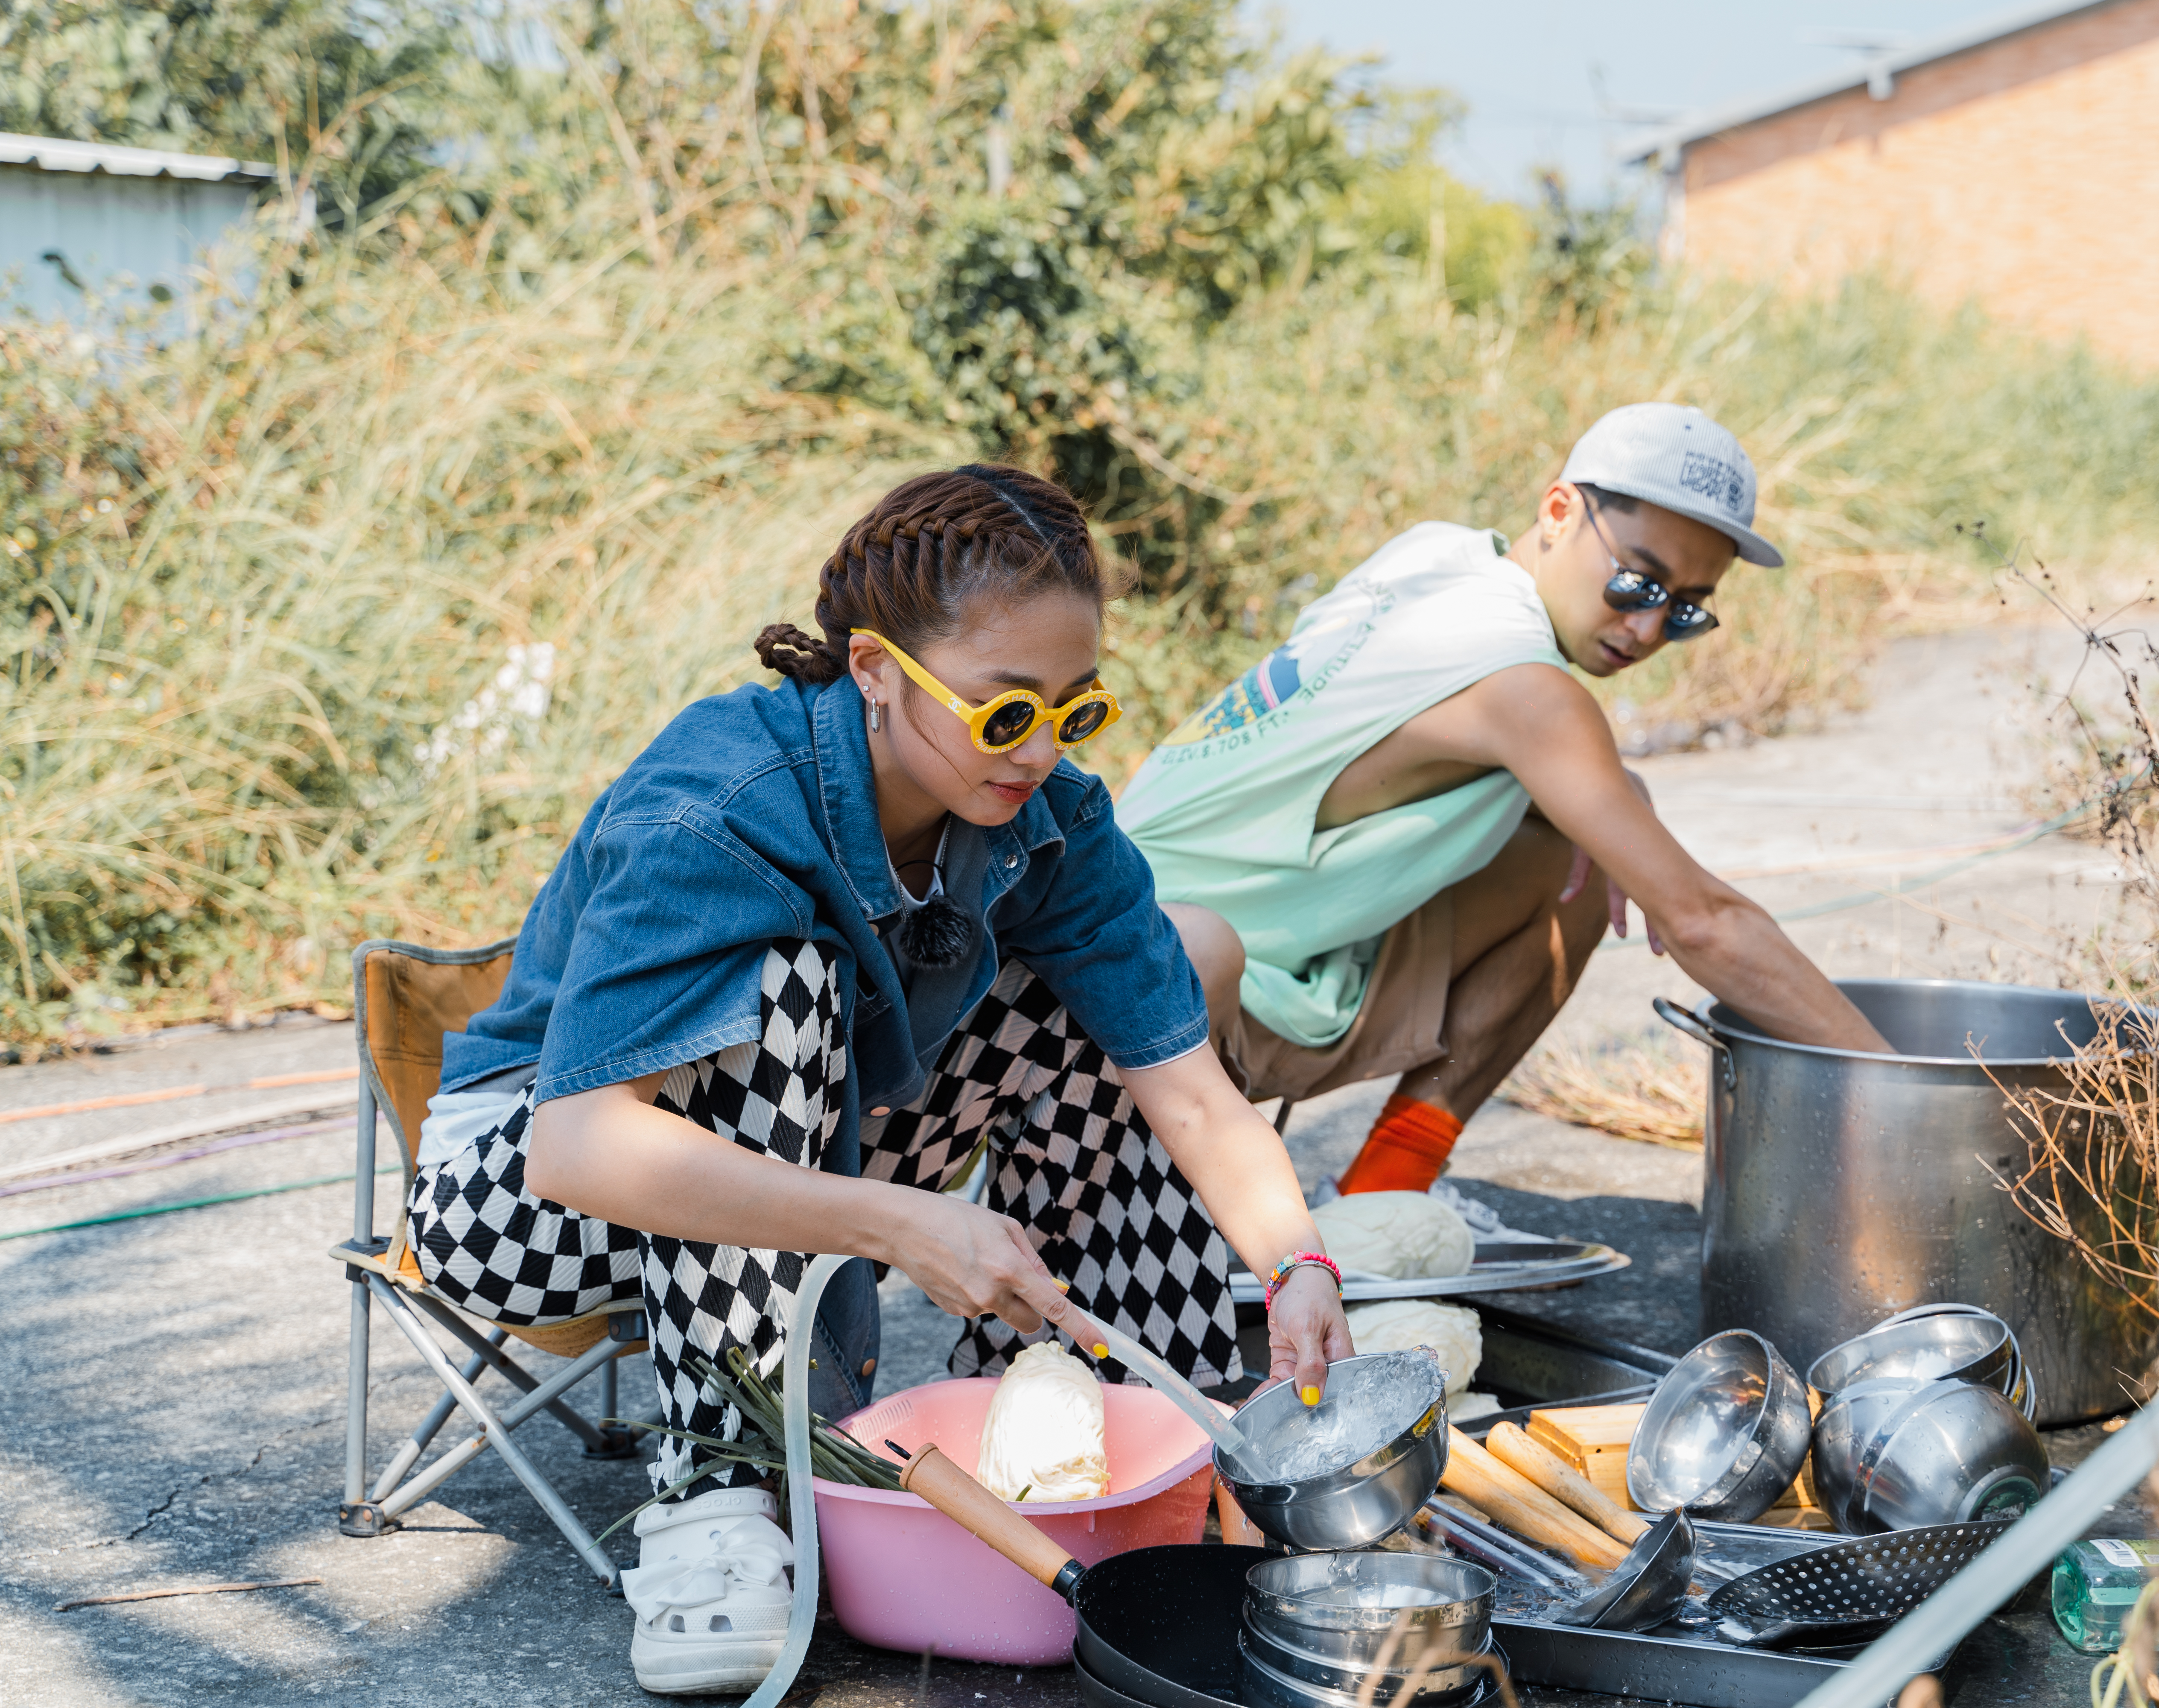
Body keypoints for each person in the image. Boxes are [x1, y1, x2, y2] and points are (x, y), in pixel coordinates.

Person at [403, 467, 1353, 1696]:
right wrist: (906, 1224)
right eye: (1004, 713)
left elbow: (1191, 1093)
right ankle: (716, 1494)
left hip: (824, 1138)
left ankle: (1100, 1431)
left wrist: (1299, 1267)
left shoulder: (1050, 817)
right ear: (873, 669)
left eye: (1078, 709)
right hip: (529, 1202)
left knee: (1100, 997)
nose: (1042, 751)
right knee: (787, 977)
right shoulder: (722, 802)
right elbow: (578, 1149)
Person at [1119, 404, 1891, 1201]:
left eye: (1687, 608)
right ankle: (1133, 1214)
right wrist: (1904, 1085)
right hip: (1125, 1002)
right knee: (1593, 853)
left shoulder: (1435, 558)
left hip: (1222, 957)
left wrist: (1625, 791)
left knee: (1574, 865)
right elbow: (1705, 923)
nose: (1650, 625)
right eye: (1636, 580)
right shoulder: (1526, 692)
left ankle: (1385, 1199)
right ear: (1559, 511)